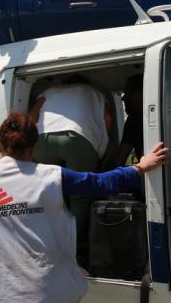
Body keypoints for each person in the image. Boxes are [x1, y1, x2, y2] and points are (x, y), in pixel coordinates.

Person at [0, 113, 168, 303]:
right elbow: (101, 183)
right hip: (44, 294)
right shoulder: (51, 177)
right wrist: (141, 167)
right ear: (35, 146)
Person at [28, 75, 113, 267]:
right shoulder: (95, 92)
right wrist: (103, 147)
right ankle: (72, 252)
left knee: (48, 193)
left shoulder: (49, 91)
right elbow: (107, 118)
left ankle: (46, 245)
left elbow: (32, 117)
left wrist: (30, 149)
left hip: (43, 140)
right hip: (79, 139)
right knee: (80, 197)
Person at [106, 74, 144, 168]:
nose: (123, 98)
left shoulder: (134, 120)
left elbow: (119, 161)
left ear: (137, 96)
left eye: (127, 93)